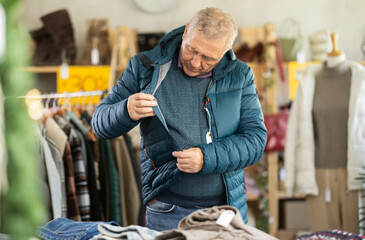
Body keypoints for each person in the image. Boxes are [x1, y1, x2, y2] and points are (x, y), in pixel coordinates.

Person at [91, 7, 267, 231]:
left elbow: (255, 140)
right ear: (185, 32)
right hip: (166, 210)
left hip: (225, 211)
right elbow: (98, 124)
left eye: (208, 59)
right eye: (192, 50)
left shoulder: (240, 75)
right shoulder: (145, 67)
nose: (195, 62)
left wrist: (206, 158)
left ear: (224, 52)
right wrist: (125, 110)